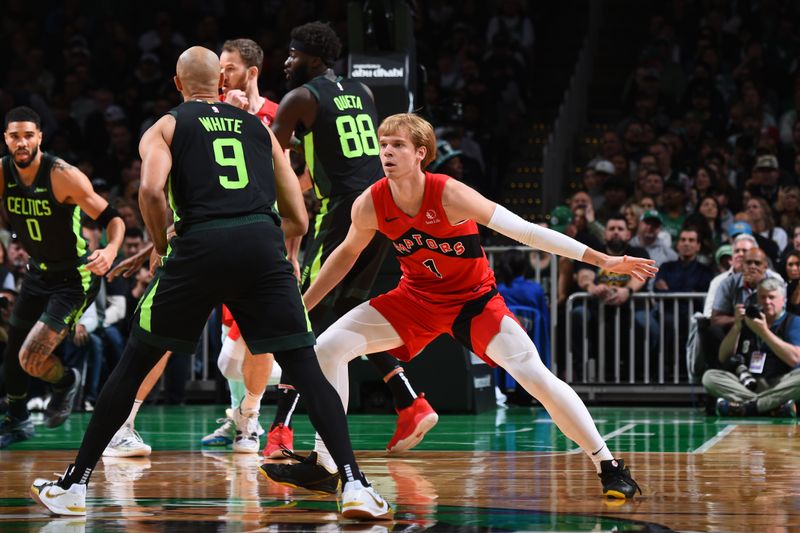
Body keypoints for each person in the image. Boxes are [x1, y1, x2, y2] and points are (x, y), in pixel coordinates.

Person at [30, 47, 391, 521]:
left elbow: (151, 191)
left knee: (135, 362)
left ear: (178, 86)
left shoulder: (167, 124)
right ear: (221, 84)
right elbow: (298, 216)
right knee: (305, 367)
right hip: (262, 248)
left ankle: (74, 486)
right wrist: (277, 254)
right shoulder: (261, 127)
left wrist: (160, 244)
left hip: (200, 248)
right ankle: (356, 485)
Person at [262, 113, 656, 499]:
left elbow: (526, 231)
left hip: (473, 303)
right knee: (328, 348)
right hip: (415, 299)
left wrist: (602, 260)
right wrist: (303, 306)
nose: (387, 152)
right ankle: (328, 465)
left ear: (421, 153)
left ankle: (607, 464)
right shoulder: (371, 202)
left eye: (397, 145)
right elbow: (345, 257)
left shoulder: (449, 193)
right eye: (383, 145)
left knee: (535, 377)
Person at [265, 21, 437, 458]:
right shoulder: (362, 91)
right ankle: (410, 401)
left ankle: (279, 430)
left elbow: (267, 161)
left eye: (293, 54)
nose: (287, 62)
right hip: (378, 205)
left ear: (315, 58)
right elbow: (344, 160)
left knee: (305, 318)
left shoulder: (300, 98)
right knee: (342, 310)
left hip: (344, 212)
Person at [103, 38, 283, 456]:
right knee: (185, 344)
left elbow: (293, 186)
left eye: (231, 68)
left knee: (257, 343)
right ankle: (128, 423)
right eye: (222, 68)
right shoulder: (206, 119)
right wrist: (157, 242)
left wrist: (290, 248)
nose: (225, 75)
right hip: (225, 238)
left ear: (247, 73)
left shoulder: (267, 118)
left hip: (248, 236)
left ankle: (249, 421)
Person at [0, 106, 124, 448]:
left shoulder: (62, 175)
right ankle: (18, 419)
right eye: (14, 136)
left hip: (74, 278)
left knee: (30, 357)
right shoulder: (2, 173)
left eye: (28, 135)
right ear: (6, 139)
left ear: (40, 137)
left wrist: (111, 250)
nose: (21, 142)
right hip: (37, 273)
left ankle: (67, 380)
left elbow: (114, 218)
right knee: (13, 350)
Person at [703, 278, 800, 417]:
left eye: (771, 297)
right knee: (709, 377)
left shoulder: (793, 321)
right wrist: (737, 326)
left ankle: (749, 408)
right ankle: (771, 406)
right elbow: (723, 356)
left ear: (783, 300)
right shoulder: (749, 321)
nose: (767, 302)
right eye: (762, 297)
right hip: (750, 385)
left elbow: (795, 359)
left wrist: (764, 332)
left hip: (781, 383)